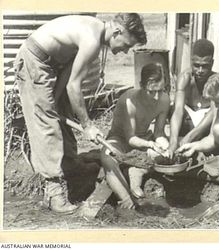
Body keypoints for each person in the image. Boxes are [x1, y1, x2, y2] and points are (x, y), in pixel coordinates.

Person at [14, 13, 147, 214]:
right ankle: (53, 191)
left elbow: (69, 76)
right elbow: (74, 86)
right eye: (126, 45)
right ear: (117, 31)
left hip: (52, 65)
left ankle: (69, 166)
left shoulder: (95, 33)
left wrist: (57, 102)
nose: (125, 51)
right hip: (35, 61)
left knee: (60, 110)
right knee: (46, 122)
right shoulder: (92, 39)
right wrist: (87, 125)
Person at [93, 63, 170, 210]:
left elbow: (159, 132)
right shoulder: (129, 101)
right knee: (107, 157)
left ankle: (137, 171)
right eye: (151, 92)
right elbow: (130, 138)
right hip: (120, 140)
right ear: (141, 85)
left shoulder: (164, 100)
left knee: (167, 153)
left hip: (145, 140)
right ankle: (127, 200)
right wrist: (150, 145)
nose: (156, 97)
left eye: (160, 91)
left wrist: (164, 145)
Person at [166, 39, 217, 158]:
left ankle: (198, 146)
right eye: (196, 65)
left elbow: (213, 112)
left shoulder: (216, 81)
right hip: (188, 121)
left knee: (218, 117)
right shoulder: (185, 78)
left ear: (212, 63)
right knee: (172, 109)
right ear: (191, 62)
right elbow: (178, 110)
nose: (200, 71)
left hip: (205, 123)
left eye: (205, 66)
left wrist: (189, 137)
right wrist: (173, 143)